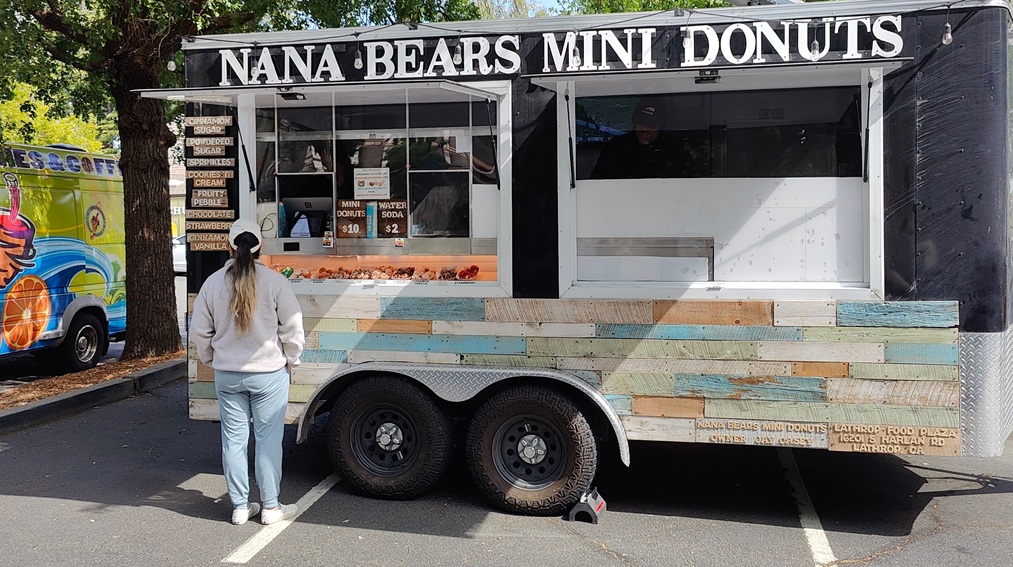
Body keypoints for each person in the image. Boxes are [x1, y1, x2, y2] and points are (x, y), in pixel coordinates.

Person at [191, 219, 306, 525]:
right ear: (260, 248)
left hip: (227, 374)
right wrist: (291, 359)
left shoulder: (212, 283)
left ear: (228, 247)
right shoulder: (275, 282)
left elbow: (200, 330)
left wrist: (211, 359)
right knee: (268, 442)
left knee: (233, 441)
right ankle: (270, 507)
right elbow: (293, 327)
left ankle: (240, 507)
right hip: (268, 374)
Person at [590, 95, 679, 179]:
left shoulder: (672, 149)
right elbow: (597, 181)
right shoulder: (616, 147)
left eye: (651, 124)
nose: (644, 129)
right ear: (634, 123)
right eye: (640, 122)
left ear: (661, 126)